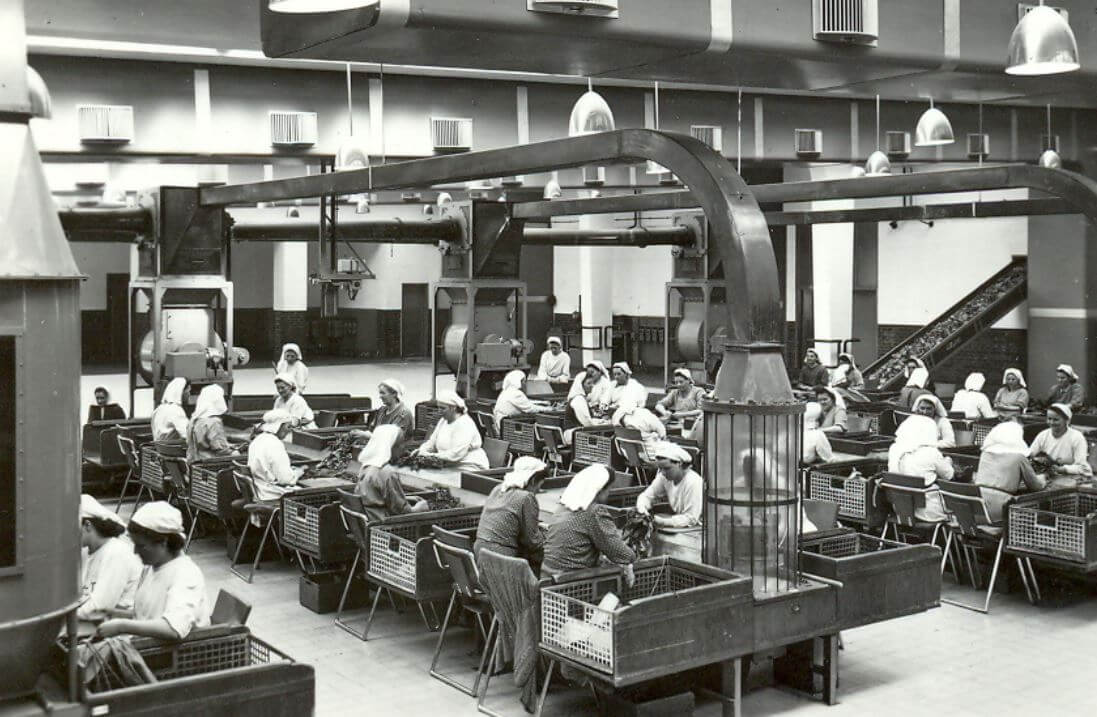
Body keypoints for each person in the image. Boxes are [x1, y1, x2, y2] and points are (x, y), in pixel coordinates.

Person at [96, 502, 210, 641]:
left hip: (175, 656)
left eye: (141, 546)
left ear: (163, 542)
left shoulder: (186, 574)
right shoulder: (151, 567)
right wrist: (113, 613)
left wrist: (122, 626)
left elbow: (173, 628)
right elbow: (148, 615)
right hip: (148, 647)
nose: (135, 551)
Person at [541, 464, 636, 579]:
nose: (609, 493)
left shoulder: (563, 506)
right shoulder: (594, 512)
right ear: (599, 490)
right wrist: (634, 555)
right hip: (570, 579)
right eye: (608, 489)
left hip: (546, 574)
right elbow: (621, 554)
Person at [473, 456, 550, 569]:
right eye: (540, 485)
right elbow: (532, 541)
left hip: (481, 553)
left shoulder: (498, 489)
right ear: (533, 480)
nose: (539, 490)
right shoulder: (526, 497)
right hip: (501, 559)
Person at [77, 495, 142, 622]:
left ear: (87, 525)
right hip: (96, 621)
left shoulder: (117, 553)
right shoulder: (86, 551)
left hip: (119, 624)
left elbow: (99, 608)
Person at [354, 425, 430, 520]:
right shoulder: (387, 473)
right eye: (401, 443)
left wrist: (405, 498)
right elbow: (403, 512)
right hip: (384, 524)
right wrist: (419, 508)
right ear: (390, 446)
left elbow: (378, 498)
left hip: (371, 518)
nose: (404, 447)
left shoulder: (366, 467)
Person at [886, 415, 952, 522]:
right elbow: (949, 476)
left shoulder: (894, 449)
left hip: (901, 510)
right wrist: (948, 461)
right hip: (929, 512)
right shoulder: (931, 452)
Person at [975, 421, 1045, 522]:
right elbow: (1036, 486)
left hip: (978, 507)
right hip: (1002, 509)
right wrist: (1043, 478)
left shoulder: (985, 454)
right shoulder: (1019, 457)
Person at [413, 390, 490, 470]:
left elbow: (455, 455)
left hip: (469, 466)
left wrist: (428, 455)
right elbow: (432, 443)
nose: (439, 411)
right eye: (438, 407)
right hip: (449, 465)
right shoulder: (443, 421)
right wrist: (420, 451)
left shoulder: (464, 423)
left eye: (443, 408)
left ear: (453, 408)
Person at [636, 442, 703, 528]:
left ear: (679, 464)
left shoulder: (693, 482)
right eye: (660, 468)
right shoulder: (664, 477)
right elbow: (647, 496)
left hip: (697, 529)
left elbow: (691, 519)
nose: (663, 472)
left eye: (667, 468)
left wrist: (663, 522)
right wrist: (642, 509)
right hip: (680, 523)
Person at [1029, 403, 1093, 486]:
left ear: (1067, 420)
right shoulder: (1043, 435)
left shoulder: (1077, 437)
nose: (1051, 422)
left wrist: (1063, 469)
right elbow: (1030, 454)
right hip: (1050, 475)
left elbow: (1083, 467)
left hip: (1071, 478)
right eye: (1049, 419)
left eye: (1056, 419)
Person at [247, 410, 302, 502]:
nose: (289, 430)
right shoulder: (275, 444)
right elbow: (286, 480)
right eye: (288, 426)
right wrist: (299, 472)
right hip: (273, 495)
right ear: (279, 426)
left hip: (260, 490)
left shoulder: (257, 440)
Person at [187, 384, 234, 462]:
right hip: (210, 464)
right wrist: (235, 450)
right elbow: (221, 451)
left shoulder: (193, 420)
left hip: (194, 461)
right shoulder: (214, 422)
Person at [563, 373, 611, 445]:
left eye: (592, 383)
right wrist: (603, 425)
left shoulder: (579, 397)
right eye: (588, 383)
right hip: (574, 435)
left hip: (576, 433)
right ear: (580, 385)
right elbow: (586, 423)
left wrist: (600, 421)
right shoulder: (578, 399)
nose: (592, 386)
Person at [151, 377, 189, 442]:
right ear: (180, 391)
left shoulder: (158, 409)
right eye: (188, 391)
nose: (189, 394)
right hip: (173, 451)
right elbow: (188, 434)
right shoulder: (176, 410)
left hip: (160, 449)